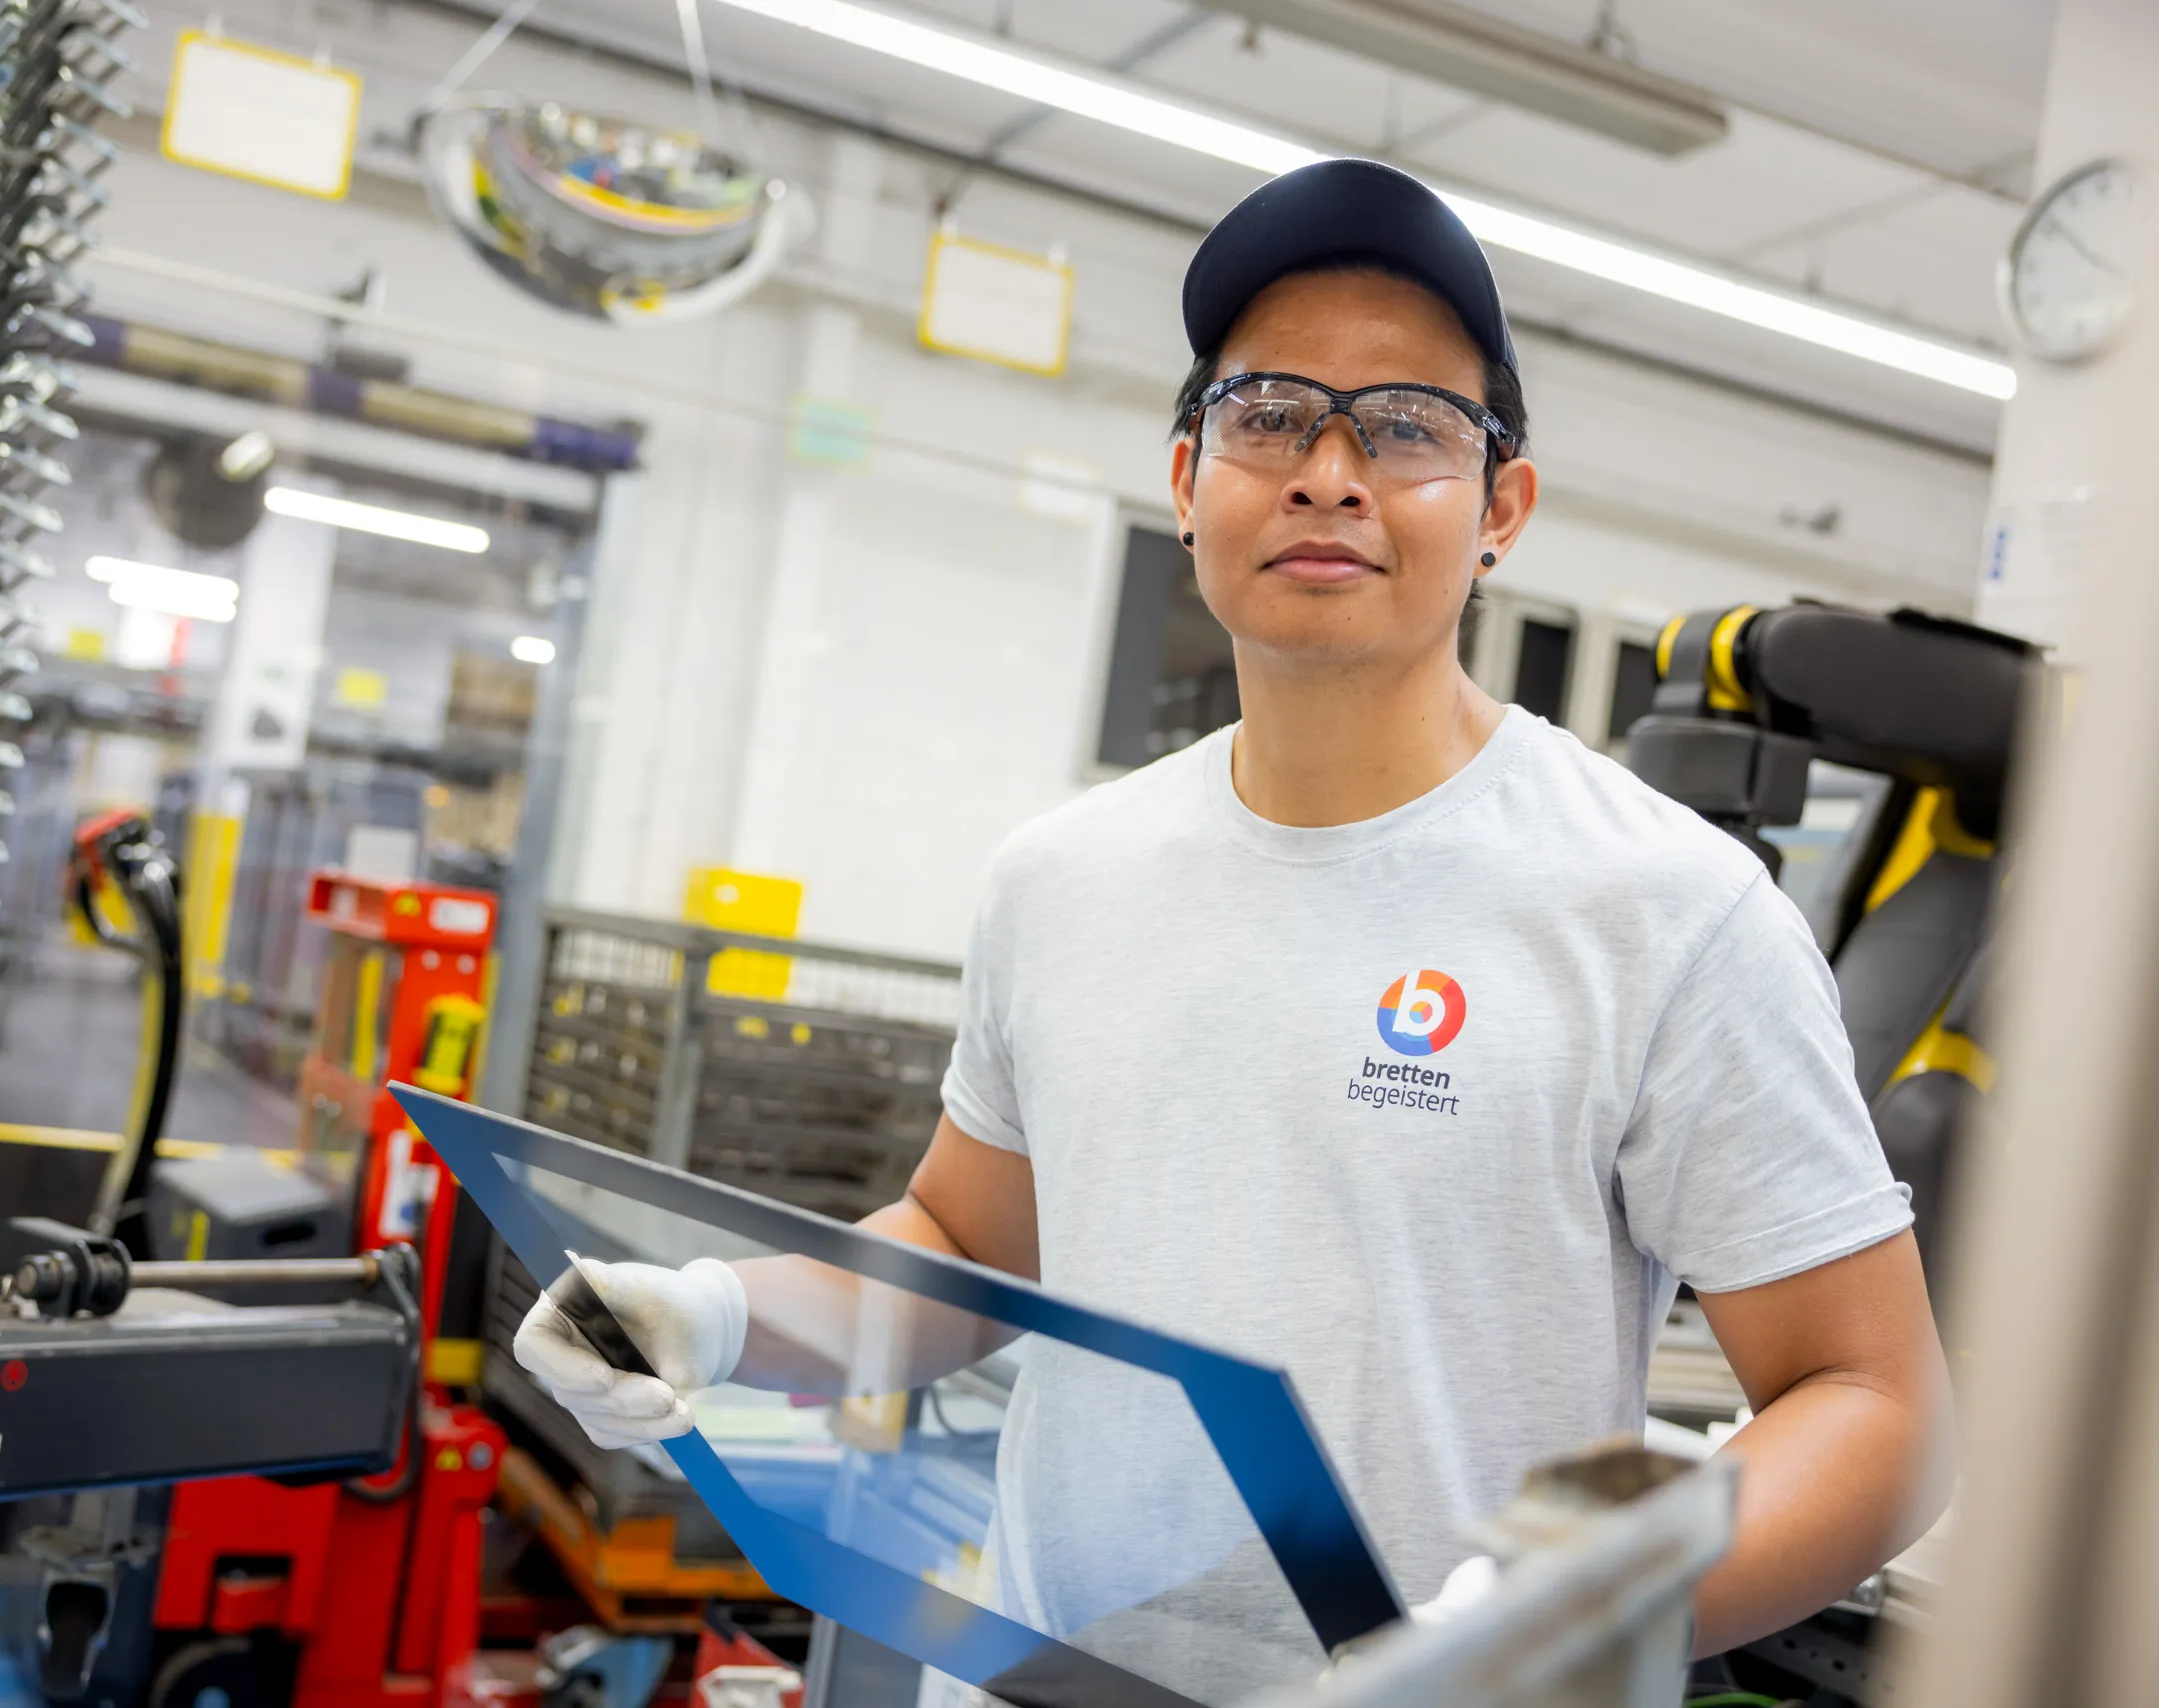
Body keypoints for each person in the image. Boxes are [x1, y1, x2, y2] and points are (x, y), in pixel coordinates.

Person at [514, 158, 1952, 1678]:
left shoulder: (1665, 910)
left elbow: (1874, 1407)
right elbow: (964, 1248)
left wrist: (1579, 1608)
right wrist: (714, 1315)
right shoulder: (1065, 878)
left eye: (1408, 428)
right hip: (1057, 1673)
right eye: (1270, 414)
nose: (1330, 470)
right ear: (1188, 479)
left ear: (1500, 511)